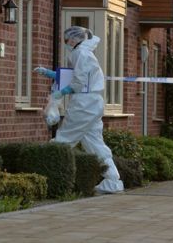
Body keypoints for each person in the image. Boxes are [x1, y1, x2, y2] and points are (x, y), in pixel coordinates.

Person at [34, 26, 124, 194]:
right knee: (95, 143)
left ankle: (47, 178)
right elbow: (74, 76)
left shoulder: (80, 54)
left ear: (74, 40)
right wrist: (50, 74)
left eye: (66, 40)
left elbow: (78, 80)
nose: (66, 43)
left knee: (64, 138)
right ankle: (113, 181)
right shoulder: (84, 53)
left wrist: (61, 92)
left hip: (84, 103)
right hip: (93, 102)